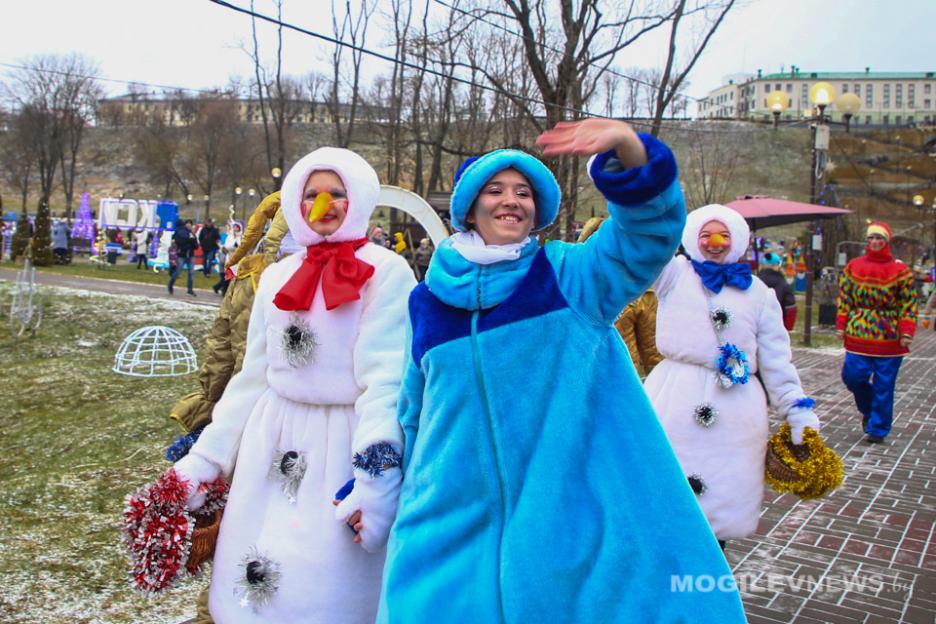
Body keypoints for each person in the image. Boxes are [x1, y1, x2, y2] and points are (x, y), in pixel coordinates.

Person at [380, 119, 746, 622]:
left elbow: (645, 237)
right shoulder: (426, 301)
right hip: (448, 521)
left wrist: (628, 149)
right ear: (468, 208)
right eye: (495, 190)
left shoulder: (569, 276)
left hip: (567, 521)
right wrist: (387, 485)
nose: (511, 200)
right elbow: (414, 408)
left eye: (523, 192)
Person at [171, 147, 416, 623]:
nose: (323, 204)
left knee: (323, 586)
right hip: (271, 443)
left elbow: (385, 380)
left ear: (359, 199)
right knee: (255, 572)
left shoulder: (386, 272)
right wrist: (207, 458)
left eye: (337, 193)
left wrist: (377, 474)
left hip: (340, 446)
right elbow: (252, 378)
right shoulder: (278, 275)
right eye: (311, 194)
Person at [644, 204, 821, 549]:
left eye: (724, 235)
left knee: (719, 516)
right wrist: (646, 198)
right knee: (663, 503)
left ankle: (711, 575)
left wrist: (796, 411)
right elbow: (643, 248)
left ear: (737, 240)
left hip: (736, 416)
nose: (715, 243)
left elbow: (776, 360)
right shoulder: (673, 274)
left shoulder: (759, 294)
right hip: (673, 399)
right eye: (706, 235)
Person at [837, 221, 918, 444]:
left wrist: (907, 330)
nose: (874, 242)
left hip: (889, 337)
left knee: (884, 385)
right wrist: (842, 324)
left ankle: (878, 428)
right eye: (871, 238)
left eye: (879, 238)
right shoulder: (854, 266)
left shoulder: (900, 271)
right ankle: (870, 409)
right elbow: (845, 298)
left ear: (886, 241)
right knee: (852, 377)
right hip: (858, 333)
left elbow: (908, 303)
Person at [578, 216, 662, 376]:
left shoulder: (641, 292)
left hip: (621, 381)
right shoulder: (568, 284)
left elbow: (652, 352)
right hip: (575, 381)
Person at [759, 251, 797, 331]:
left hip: (757, 327)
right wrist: (787, 329)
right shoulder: (784, 284)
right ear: (777, 266)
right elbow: (790, 309)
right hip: (778, 327)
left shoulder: (755, 282)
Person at [169, 219, 198, 296]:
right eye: (187, 224)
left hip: (190, 255)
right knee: (177, 271)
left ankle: (190, 290)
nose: (189, 225)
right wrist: (189, 241)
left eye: (190, 224)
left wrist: (191, 242)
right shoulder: (180, 232)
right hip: (181, 255)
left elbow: (196, 246)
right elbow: (179, 242)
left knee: (191, 272)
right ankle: (170, 284)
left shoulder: (192, 234)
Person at [213, 221, 243, 295]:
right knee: (228, 276)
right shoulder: (230, 236)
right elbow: (227, 246)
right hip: (229, 258)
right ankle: (224, 291)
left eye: (237, 227)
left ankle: (220, 288)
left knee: (234, 277)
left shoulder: (241, 237)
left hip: (237, 258)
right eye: (234, 227)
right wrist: (233, 246)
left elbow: (241, 246)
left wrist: (237, 245)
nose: (235, 228)